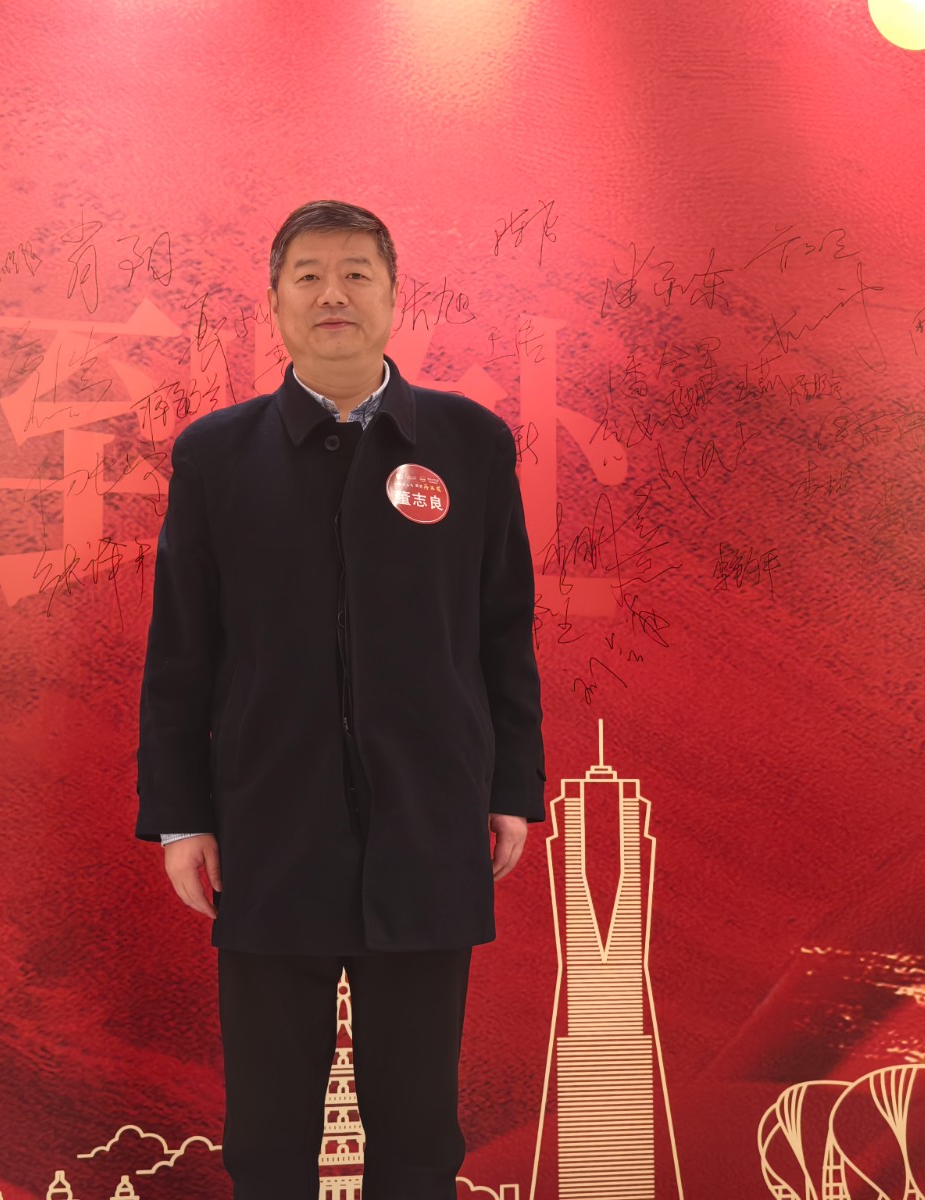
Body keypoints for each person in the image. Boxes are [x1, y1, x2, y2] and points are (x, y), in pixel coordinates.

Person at [135, 199, 545, 1200]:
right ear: (274, 302)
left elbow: (503, 630)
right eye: (308, 275)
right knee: (269, 1137)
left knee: (418, 1137)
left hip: (428, 817)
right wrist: (182, 816)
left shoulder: (469, 443)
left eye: (357, 274)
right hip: (269, 826)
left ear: (393, 297)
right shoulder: (216, 455)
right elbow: (182, 651)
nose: (333, 295)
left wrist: (510, 789)